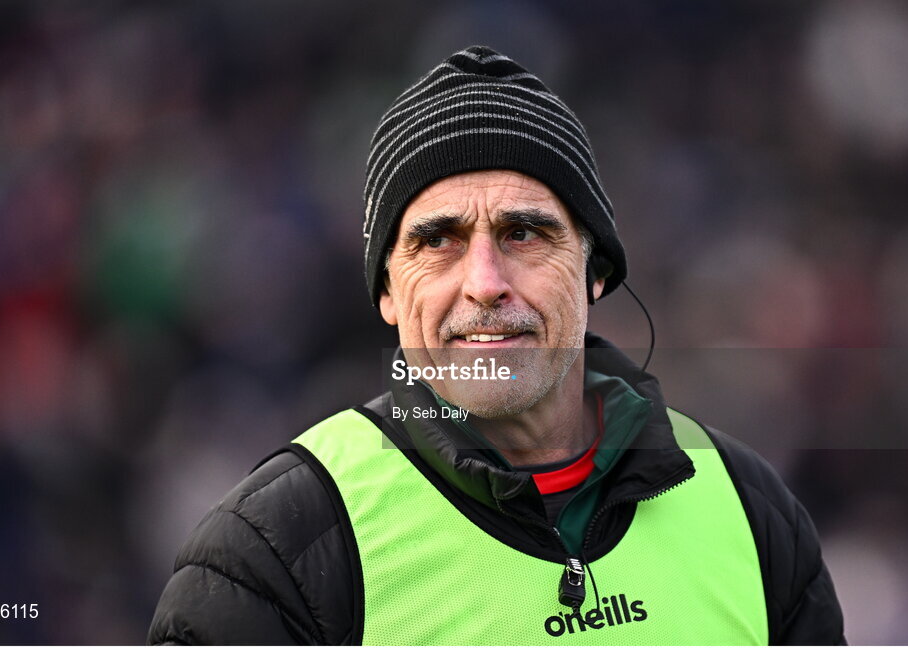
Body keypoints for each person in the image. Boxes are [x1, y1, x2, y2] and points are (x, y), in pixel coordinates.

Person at [148, 45, 845, 645]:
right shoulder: (276, 550)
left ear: (595, 270)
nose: (484, 283)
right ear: (387, 292)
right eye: (436, 240)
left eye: (524, 234)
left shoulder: (752, 512)